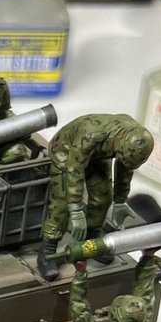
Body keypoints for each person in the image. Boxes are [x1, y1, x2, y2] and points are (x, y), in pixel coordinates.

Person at [38, 113, 154, 281]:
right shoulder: (91, 134)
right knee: (61, 203)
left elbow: (125, 168)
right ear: (119, 143)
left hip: (97, 156)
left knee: (103, 196)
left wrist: (120, 201)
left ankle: (91, 238)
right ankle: (47, 250)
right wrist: (76, 209)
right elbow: (74, 170)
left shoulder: (132, 138)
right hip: (66, 153)